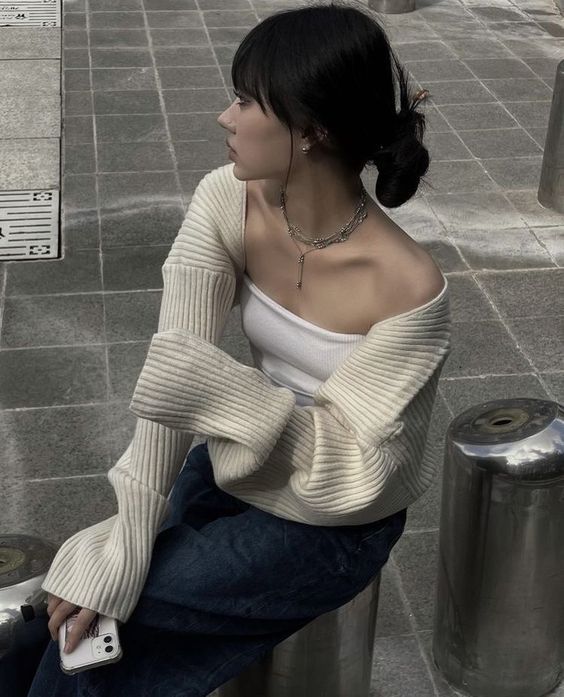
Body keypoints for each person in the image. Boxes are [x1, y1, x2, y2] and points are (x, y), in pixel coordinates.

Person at [26, 1, 451, 695]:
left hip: (336, 526)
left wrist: (222, 391)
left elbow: (360, 471)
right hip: (239, 465)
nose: (226, 117)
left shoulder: (408, 288)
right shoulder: (230, 198)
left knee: (113, 621)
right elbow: (174, 378)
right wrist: (129, 531)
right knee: (82, 608)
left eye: (248, 101)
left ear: (311, 130)